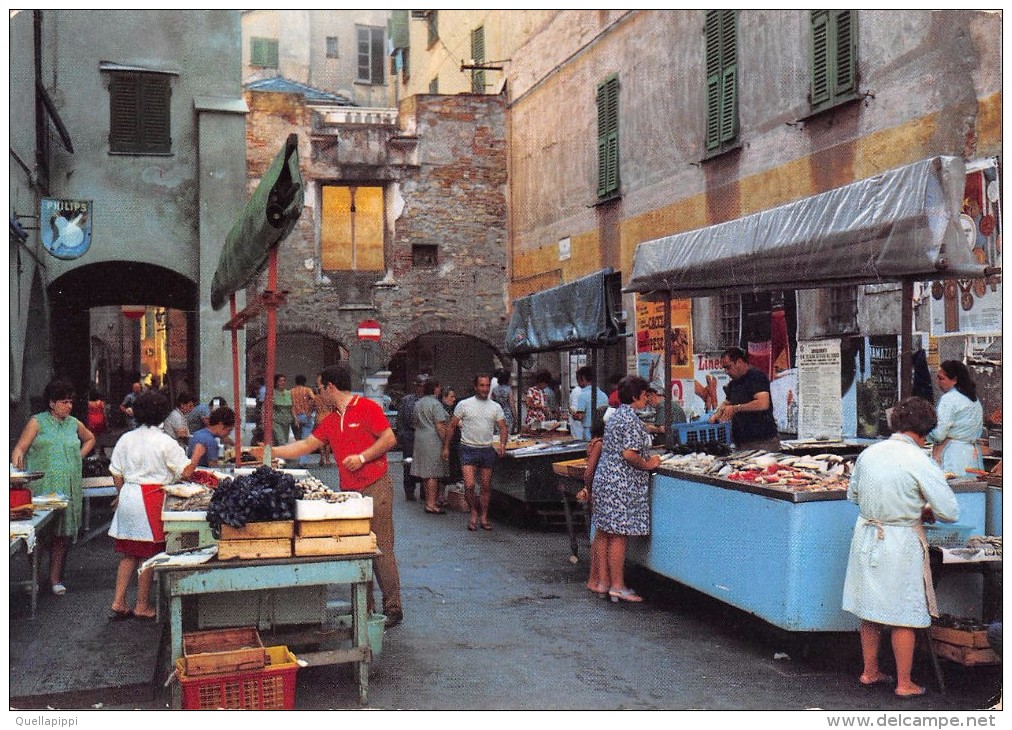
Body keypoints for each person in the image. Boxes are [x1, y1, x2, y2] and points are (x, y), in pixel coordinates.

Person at [264, 363, 403, 628]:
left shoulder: (367, 408)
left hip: (376, 484)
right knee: (357, 547)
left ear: (331, 387)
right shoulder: (329, 420)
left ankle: (393, 607)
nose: (317, 395)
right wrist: (273, 451)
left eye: (319, 389)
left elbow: (389, 439)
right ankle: (366, 608)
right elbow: (306, 445)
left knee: (382, 546)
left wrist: (362, 457)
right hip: (350, 490)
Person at [841, 396, 959, 698]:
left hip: (867, 533)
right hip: (900, 539)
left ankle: (870, 671)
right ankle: (904, 683)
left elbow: (853, 496)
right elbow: (949, 512)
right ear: (926, 429)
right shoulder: (921, 460)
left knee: (870, 607)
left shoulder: (870, 453)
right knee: (904, 611)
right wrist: (920, 509)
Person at [108, 390, 196, 619]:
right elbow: (186, 472)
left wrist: (121, 494)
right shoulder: (165, 442)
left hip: (128, 495)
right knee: (148, 556)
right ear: (163, 414)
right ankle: (142, 605)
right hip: (151, 498)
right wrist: (196, 457)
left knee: (128, 554)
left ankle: (118, 602)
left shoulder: (126, 439)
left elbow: (116, 473)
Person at [11, 379, 97, 595]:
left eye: (70, 402)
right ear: (51, 403)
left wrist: (78, 456)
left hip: (67, 486)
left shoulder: (73, 423)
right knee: (39, 535)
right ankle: (35, 578)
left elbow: (90, 438)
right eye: (64, 402)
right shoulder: (37, 422)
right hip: (42, 486)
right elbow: (20, 448)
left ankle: (55, 579)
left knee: (61, 536)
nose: (68, 406)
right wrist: (17, 467)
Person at [591, 375, 661, 603]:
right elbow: (629, 454)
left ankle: (603, 582)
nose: (646, 399)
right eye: (644, 395)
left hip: (605, 479)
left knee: (603, 532)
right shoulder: (630, 419)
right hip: (620, 483)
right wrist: (648, 464)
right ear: (635, 396)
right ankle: (618, 586)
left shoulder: (615, 415)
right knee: (619, 536)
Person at [442, 373, 507, 532]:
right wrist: (446, 447)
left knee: (485, 486)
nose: (485, 389)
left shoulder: (495, 407)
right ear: (476, 387)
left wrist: (503, 444)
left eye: (487, 386)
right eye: (482, 386)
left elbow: (503, 427)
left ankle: (484, 516)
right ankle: (473, 511)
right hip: (467, 449)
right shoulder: (464, 404)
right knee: (470, 485)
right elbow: (451, 426)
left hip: (486, 449)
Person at [710, 346, 779, 450]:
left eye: (728, 367)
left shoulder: (756, 377)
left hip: (762, 441)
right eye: (724, 368)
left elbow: (763, 403)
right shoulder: (733, 383)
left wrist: (736, 408)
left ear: (739, 362)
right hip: (741, 442)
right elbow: (728, 402)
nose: (726, 372)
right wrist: (718, 413)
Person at [927, 360, 984, 477]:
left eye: (941, 378)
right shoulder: (974, 399)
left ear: (954, 379)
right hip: (972, 455)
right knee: (972, 490)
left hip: (953, 454)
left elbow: (939, 435)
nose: (937, 382)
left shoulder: (949, 399)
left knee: (954, 491)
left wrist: (925, 430)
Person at [411, 379, 450, 514]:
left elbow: (414, 421)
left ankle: (429, 501)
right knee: (433, 473)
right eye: (439, 388)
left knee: (425, 474)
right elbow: (440, 425)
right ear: (435, 389)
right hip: (433, 439)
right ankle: (431, 504)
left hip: (420, 438)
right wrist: (446, 442)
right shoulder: (436, 404)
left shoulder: (418, 403)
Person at [580, 413, 608, 596]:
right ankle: (594, 579)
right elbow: (589, 473)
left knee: (598, 535)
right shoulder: (599, 444)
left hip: (595, 490)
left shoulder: (594, 443)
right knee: (599, 536)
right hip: (597, 491)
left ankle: (595, 578)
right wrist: (588, 490)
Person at [397, 375, 427, 501]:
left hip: (425, 435)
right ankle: (409, 490)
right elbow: (400, 419)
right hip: (410, 435)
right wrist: (402, 435)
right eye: (420, 385)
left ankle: (425, 492)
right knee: (409, 463)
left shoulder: (430, 401)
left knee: (426, 464)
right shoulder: (407, 400)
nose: (422, 388)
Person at [439, 385, 463, 498]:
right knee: (445, 470)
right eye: (451, 396)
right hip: (446, 442)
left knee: (452, 468)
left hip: (454, 442)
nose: (454, 399)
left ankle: (444, 496)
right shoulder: (441, 410)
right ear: (444, 397)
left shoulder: (453, 409)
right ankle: (441, 496)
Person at [574, 366, 609, 439]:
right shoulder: (604, 395)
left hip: (588, 431)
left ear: (583, 379)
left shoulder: (582, 396)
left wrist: (573, 415)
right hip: (603, 432)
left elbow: (580, 416)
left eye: (578, 379)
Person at [290, 375, 316, 466]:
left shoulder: (291, 392)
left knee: (298, 439)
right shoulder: (307, 390)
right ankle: (303, 461)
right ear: (304, 381)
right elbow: (314, 399)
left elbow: (291, 406)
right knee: (306, 440)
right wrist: (310, 410)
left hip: (295, 417)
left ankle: (300, 458)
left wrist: (295, 418)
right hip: (306, 416)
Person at [314, 374, 335, 466]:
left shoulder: (316, 398)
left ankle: (322, 458)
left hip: (319, 418)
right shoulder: (330, 398)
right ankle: (327, 459)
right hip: (329, 418)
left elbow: (313, 407)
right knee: (328, 441)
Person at [490, 367, 516, 435]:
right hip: (507, 414)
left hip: (497, 414)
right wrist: (515, 416)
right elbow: (511, 404)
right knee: (507, 434)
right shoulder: (509, 390)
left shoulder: (494, 389)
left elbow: (491, 402)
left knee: (497, 435)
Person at [270, 373, 294, 447]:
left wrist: (295, 418)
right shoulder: (272, 393)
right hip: (276, 421)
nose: (282, 382)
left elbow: (292, 407)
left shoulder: (289, 393)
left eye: (284, 381)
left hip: (286, 422)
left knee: (283, 440)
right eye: (280, 381)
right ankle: (283, 456)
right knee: (281, 440)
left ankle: (279, 456)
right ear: (276, 382)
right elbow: (266, 407)